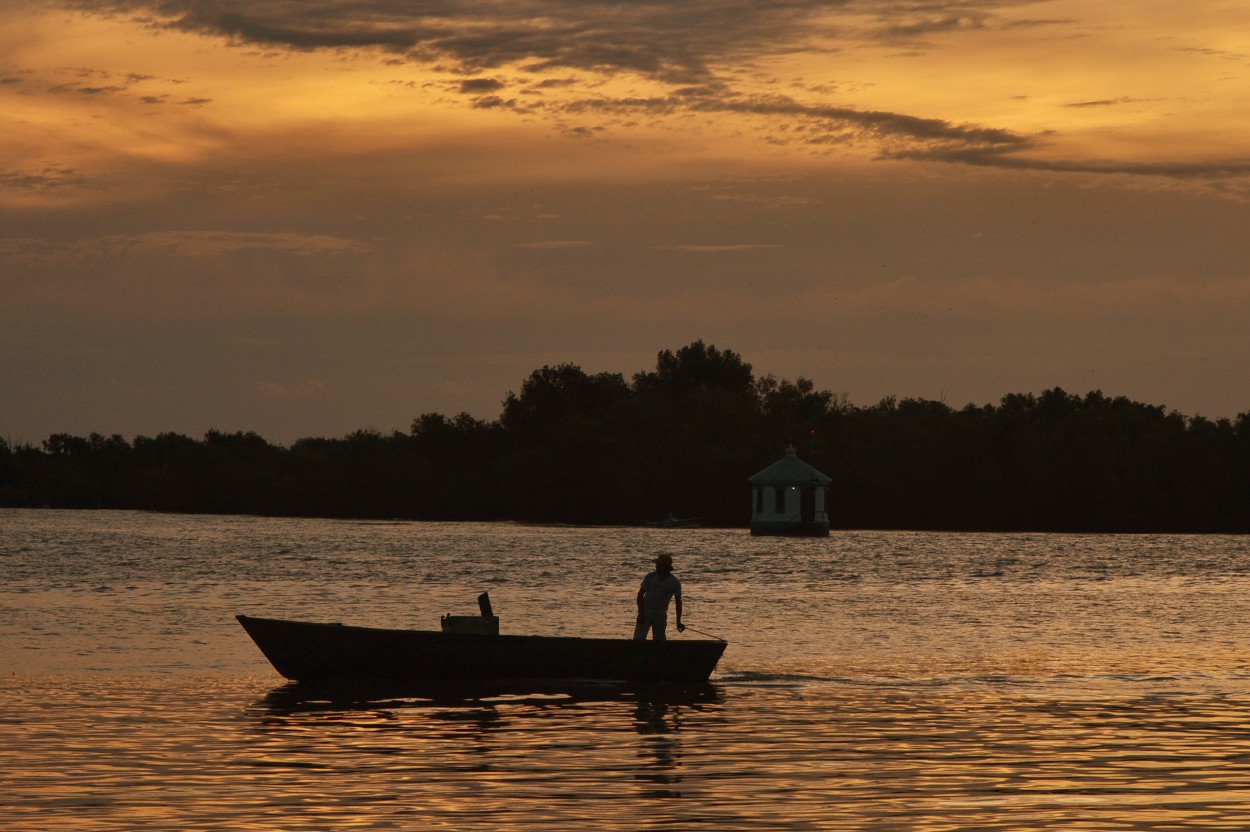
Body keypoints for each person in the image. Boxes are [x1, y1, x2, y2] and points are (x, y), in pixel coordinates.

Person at [633, 553, 685, 641]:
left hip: (660, 615)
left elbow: (678, 603)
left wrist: (678, 622)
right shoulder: (650, 577)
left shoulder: (674, 582)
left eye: (659, 565)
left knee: (660, 641)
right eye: (657, 565)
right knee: (639, 639)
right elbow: (640, 595)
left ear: (666, 567)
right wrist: (640, 613)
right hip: (646, 613)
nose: (656, 567)